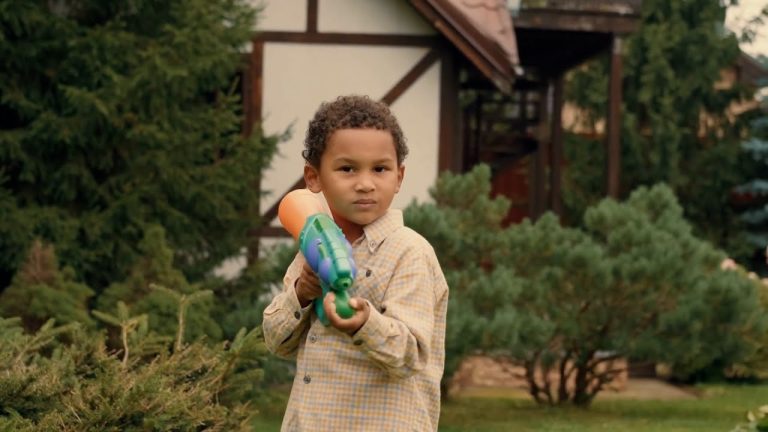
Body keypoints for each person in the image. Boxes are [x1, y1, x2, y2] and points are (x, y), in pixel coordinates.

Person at [262, 95, 449, 431]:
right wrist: (302, 293)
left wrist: (363, 323)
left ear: (399, 177)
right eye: (347, 169)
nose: (365, 184)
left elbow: (411, 356)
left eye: (380, 169)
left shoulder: (410, 252)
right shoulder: (313, 249)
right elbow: (276, 342)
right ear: (313, 177)